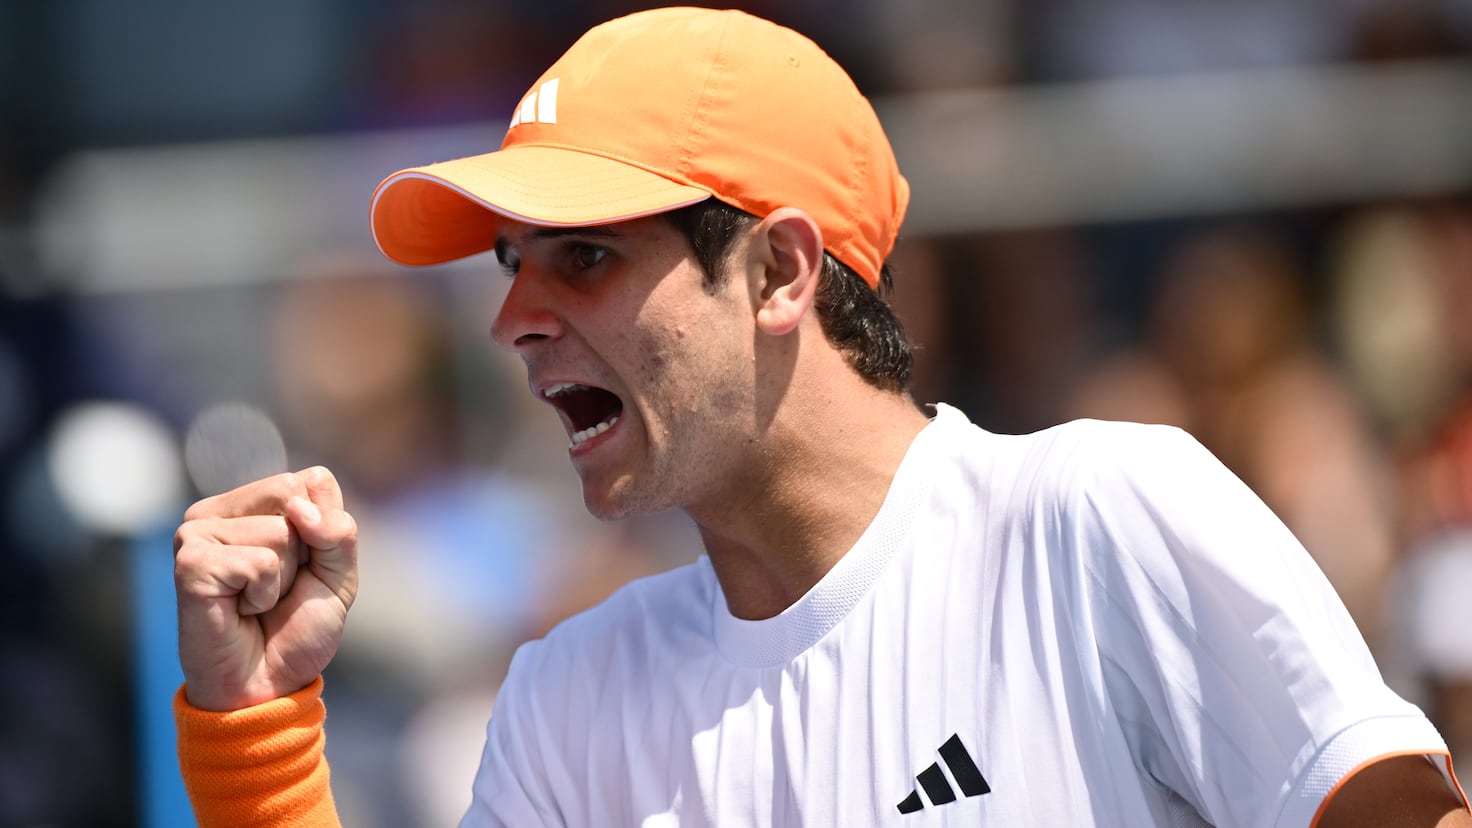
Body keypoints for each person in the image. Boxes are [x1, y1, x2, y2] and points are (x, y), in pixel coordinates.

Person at [171, 7, 1470, 826]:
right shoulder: (569, 698)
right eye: (511, 265)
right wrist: (263, 746)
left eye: (584, 258)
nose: (512, 318)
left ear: (782, 273)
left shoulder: (1099, 516)